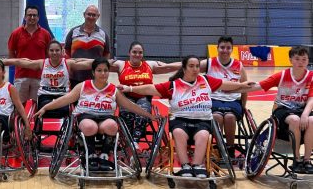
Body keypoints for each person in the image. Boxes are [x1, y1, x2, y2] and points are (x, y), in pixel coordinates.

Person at [117, 55, 253, 178]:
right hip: (180, 121)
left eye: (197, 66)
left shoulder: (206, 81)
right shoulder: (173, 85)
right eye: (191, 66)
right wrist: (129, 89)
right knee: (178, 132)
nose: (195, 69)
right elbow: (150, 88)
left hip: (202, 121)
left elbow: (225, 84)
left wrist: (241, 85)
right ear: (184, 68)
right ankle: (185, 166)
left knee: (204, 134)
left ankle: (197, 165)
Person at [34, 58, 157, 171]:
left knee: (112, 126)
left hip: (105, 117)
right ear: (93, 72)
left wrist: (149, 116)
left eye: (105, 70)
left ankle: (104, 155)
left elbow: (130, 105)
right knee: (90, 127)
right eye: (99, 70)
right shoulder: (83, 86)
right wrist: (46, 107)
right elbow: (65, 99)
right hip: (86, 115)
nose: (103, 73)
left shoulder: (113, 89)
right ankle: (90, 155)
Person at [222, 46, 313, 174]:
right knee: (294, 120)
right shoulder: (282, 75)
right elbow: (257, 86)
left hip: (302, 110)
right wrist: (232, 89)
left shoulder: (311, 76)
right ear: (291, 60)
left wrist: (305, 114)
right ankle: (297, 159)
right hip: (283, 110)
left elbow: (311, 99)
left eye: (304, 59)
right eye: (297, 59)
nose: (301, 62)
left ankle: (307, 160)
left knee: (312, 119)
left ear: (308, 60)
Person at [110, 41, 180, 150]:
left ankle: (135, 142)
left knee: (142, 112)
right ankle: (127, 140)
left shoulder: (150, 64)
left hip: (144, 96)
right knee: (127, 114)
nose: (137, 55)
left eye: (140, 52)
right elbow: (98, 64)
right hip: (127, 96)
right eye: (134, 52)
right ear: (129, 53)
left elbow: (168, 67)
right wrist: (74, 62)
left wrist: (189, 63)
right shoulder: (121, 64)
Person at [4, 40, 93, 118]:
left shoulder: (68, 63)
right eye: (52, 50)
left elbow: (87, 64)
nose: (54, 53)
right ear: (48, 52)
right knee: (47, 110)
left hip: (63, 95)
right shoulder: (42, 63)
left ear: (62, 51)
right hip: (45, 95)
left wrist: (103, 62)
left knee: (62, 110)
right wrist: (1, 61)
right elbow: (22, 62)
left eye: (57, 50)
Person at [199, 36, 248, 159]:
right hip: (213, 99)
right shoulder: (209, 63)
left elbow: (245, 87)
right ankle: (220, 147)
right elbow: (190, 69)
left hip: (233, 100)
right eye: (222, 47)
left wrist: (243, 105)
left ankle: (230, 148)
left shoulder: (238, 65)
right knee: (217, 117)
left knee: (230, 117)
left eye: (228, 48)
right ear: (217, 48)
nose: (225, 50)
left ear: (232, 49)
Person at [8, 5, 52, 103]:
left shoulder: (45, 34)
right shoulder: (16, 33)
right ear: (25, 17)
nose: (32, 17)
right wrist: (18, 66)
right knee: (19, 105)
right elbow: (11, 53)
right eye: (29, 15)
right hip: (21, 76)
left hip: (40, 77)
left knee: (37, 105)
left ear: (38, 17)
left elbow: (49, 55)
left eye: (34, 15)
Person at [65, 5, 110, 88]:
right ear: (84, 15)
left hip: (95, 77)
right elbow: (66, 51)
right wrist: (69, 68)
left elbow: (106, 54)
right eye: (89, 14)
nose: (91, 17)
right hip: (75, 76)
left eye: (94, 15)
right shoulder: (73, 31)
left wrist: (103, 71)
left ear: (98, 16)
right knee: (74, 100)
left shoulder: (103, 34)